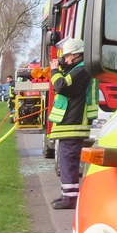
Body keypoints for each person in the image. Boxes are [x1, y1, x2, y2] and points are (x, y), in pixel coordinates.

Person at [46, 37, 98, 210]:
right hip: (70, 123)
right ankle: (67, 196)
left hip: (73, 123)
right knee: (66, 161)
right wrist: (62, 68)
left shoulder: (81, 70)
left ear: (76, 55)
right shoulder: (76, 69)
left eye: (67, 56)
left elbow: (61, 86)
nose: (64, 59)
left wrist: (54, 70)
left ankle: (70, 199)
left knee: (68, 160)